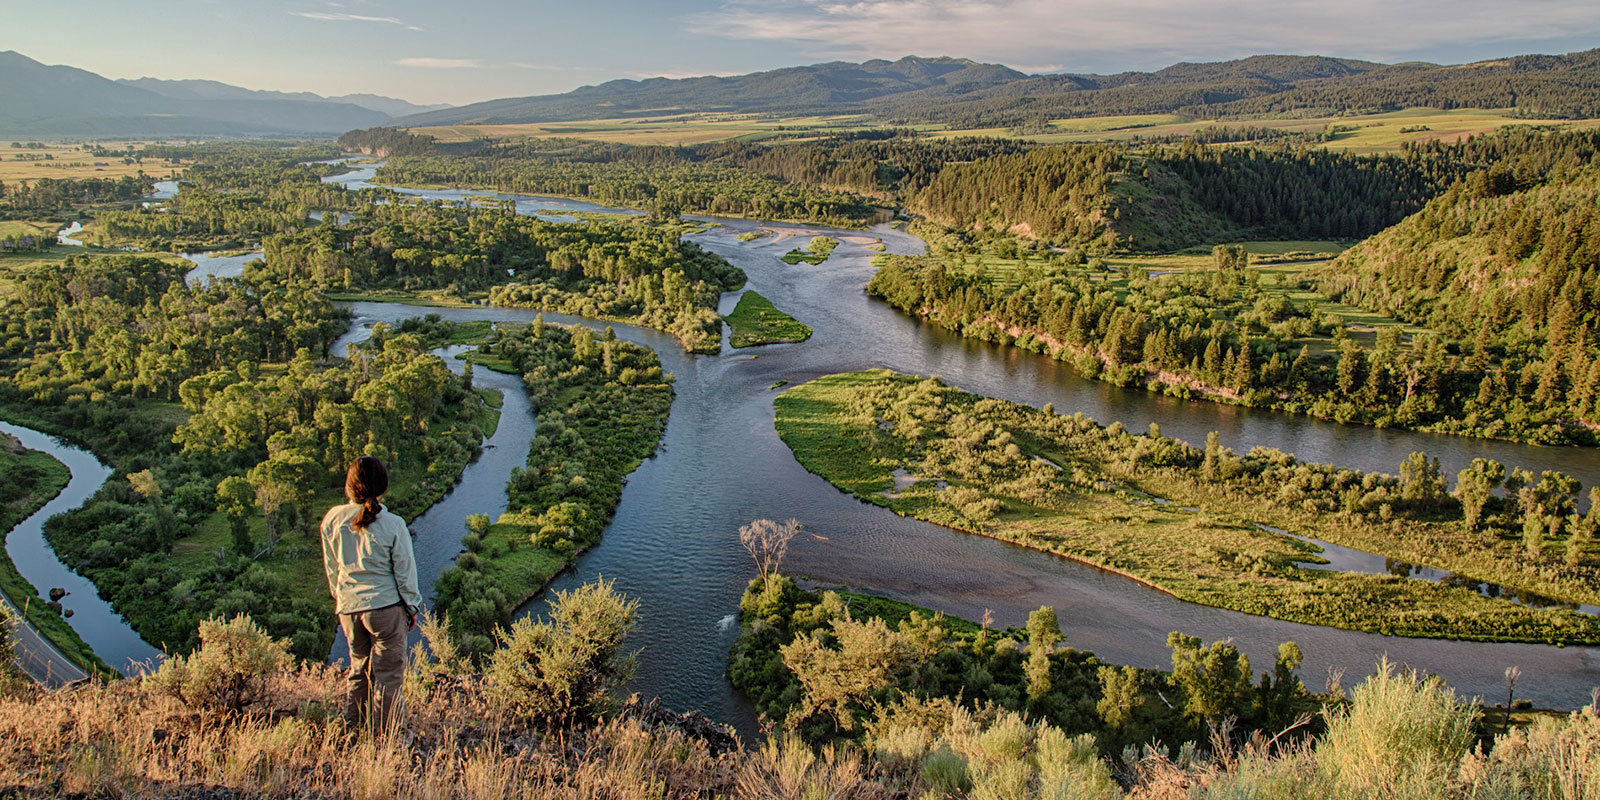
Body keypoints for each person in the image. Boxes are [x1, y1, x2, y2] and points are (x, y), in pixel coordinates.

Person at [320, 456, 422, 734]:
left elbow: (332, 569)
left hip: (349, 608)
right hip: (386, 608)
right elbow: (405, 573)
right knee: (388, 677)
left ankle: (354, 732)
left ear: (350, 486)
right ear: (382, 486)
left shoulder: (332, 520)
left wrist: (342, 599)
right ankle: (392, 737)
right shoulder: (393, 524)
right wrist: (411, 607)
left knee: (359, 671)